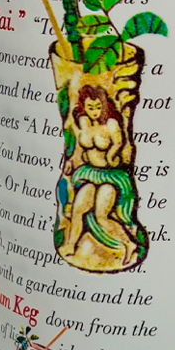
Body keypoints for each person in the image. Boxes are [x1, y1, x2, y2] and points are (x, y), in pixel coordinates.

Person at [58, 86, 139, 266]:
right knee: (78, 208)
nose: (94, 111)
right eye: (90, 107)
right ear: (84, 107)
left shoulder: (111, 124)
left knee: (101, 215)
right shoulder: (84, 124)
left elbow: (119, 145)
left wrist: (111, 155)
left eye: (98, 107)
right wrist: (71, 161)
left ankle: (129, 243)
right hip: (90, 173)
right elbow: (80, 148)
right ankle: (71, 245)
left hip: (109, 176)